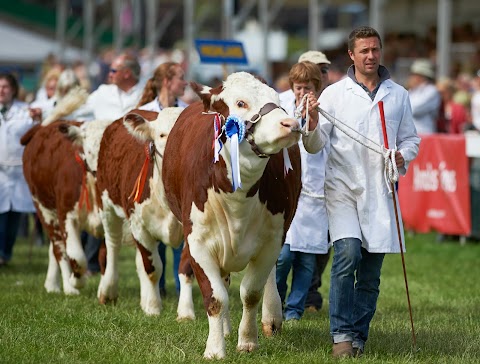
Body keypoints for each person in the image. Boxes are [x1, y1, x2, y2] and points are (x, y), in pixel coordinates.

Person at [315, 26, 420, 358]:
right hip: (342, 186)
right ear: (351, 55)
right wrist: (308, 125)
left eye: (375, 49)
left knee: (371, 271)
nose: (371, 56)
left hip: (381, 190)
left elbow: (411, 139)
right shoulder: (333, 95)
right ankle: (341, 334)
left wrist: (404, 155)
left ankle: (359, 334)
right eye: (364, 51)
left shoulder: (398, 94)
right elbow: (315, 142)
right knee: (347, 254)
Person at [275, 61, 330, 322]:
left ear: (316, 88)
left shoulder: (326, 110)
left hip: (315, 194)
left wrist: (313, 118)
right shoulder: (280, 109)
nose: (302, 92)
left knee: (307, 260)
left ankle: (294, 310)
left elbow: (319, 144)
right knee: (283, 255)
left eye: (308, 87)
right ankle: (275, 300)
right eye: (298, 87)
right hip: (287, 189)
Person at [83, 53, 143, 275]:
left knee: (139, 212)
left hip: (136, 166)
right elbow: (78, 109)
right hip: (104, 165)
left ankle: (145, 265)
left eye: (114, 70)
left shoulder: (146, 94)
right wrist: (45, 111)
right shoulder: (102, 94)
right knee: (100, 210)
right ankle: (91, 264)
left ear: (127, 73)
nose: (109, 74)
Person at [137, 61, 188, 297]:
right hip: (150, 183)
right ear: (167, 81)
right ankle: (158, 287)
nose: (185, 82)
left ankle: (181, 288)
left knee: (180, 233)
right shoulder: (144, 112)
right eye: (180, 77)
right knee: (155, 232)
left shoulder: (188, 111)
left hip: (179, 182)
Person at [0, 72, 37, 266]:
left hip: (18, 171)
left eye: (5, 87)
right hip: (0, 171)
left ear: (13, 90)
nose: (1, 90)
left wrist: (38, 117)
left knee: (14, 213)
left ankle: (6, 254)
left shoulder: (25, 110)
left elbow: (38, 124)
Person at [407, 58, 441, 134]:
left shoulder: (431, 90)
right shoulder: (411, 91)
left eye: (414, 74)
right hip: (410, 136)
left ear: (421, 76)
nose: (411, 77)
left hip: (425, 134)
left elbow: (414, 109)